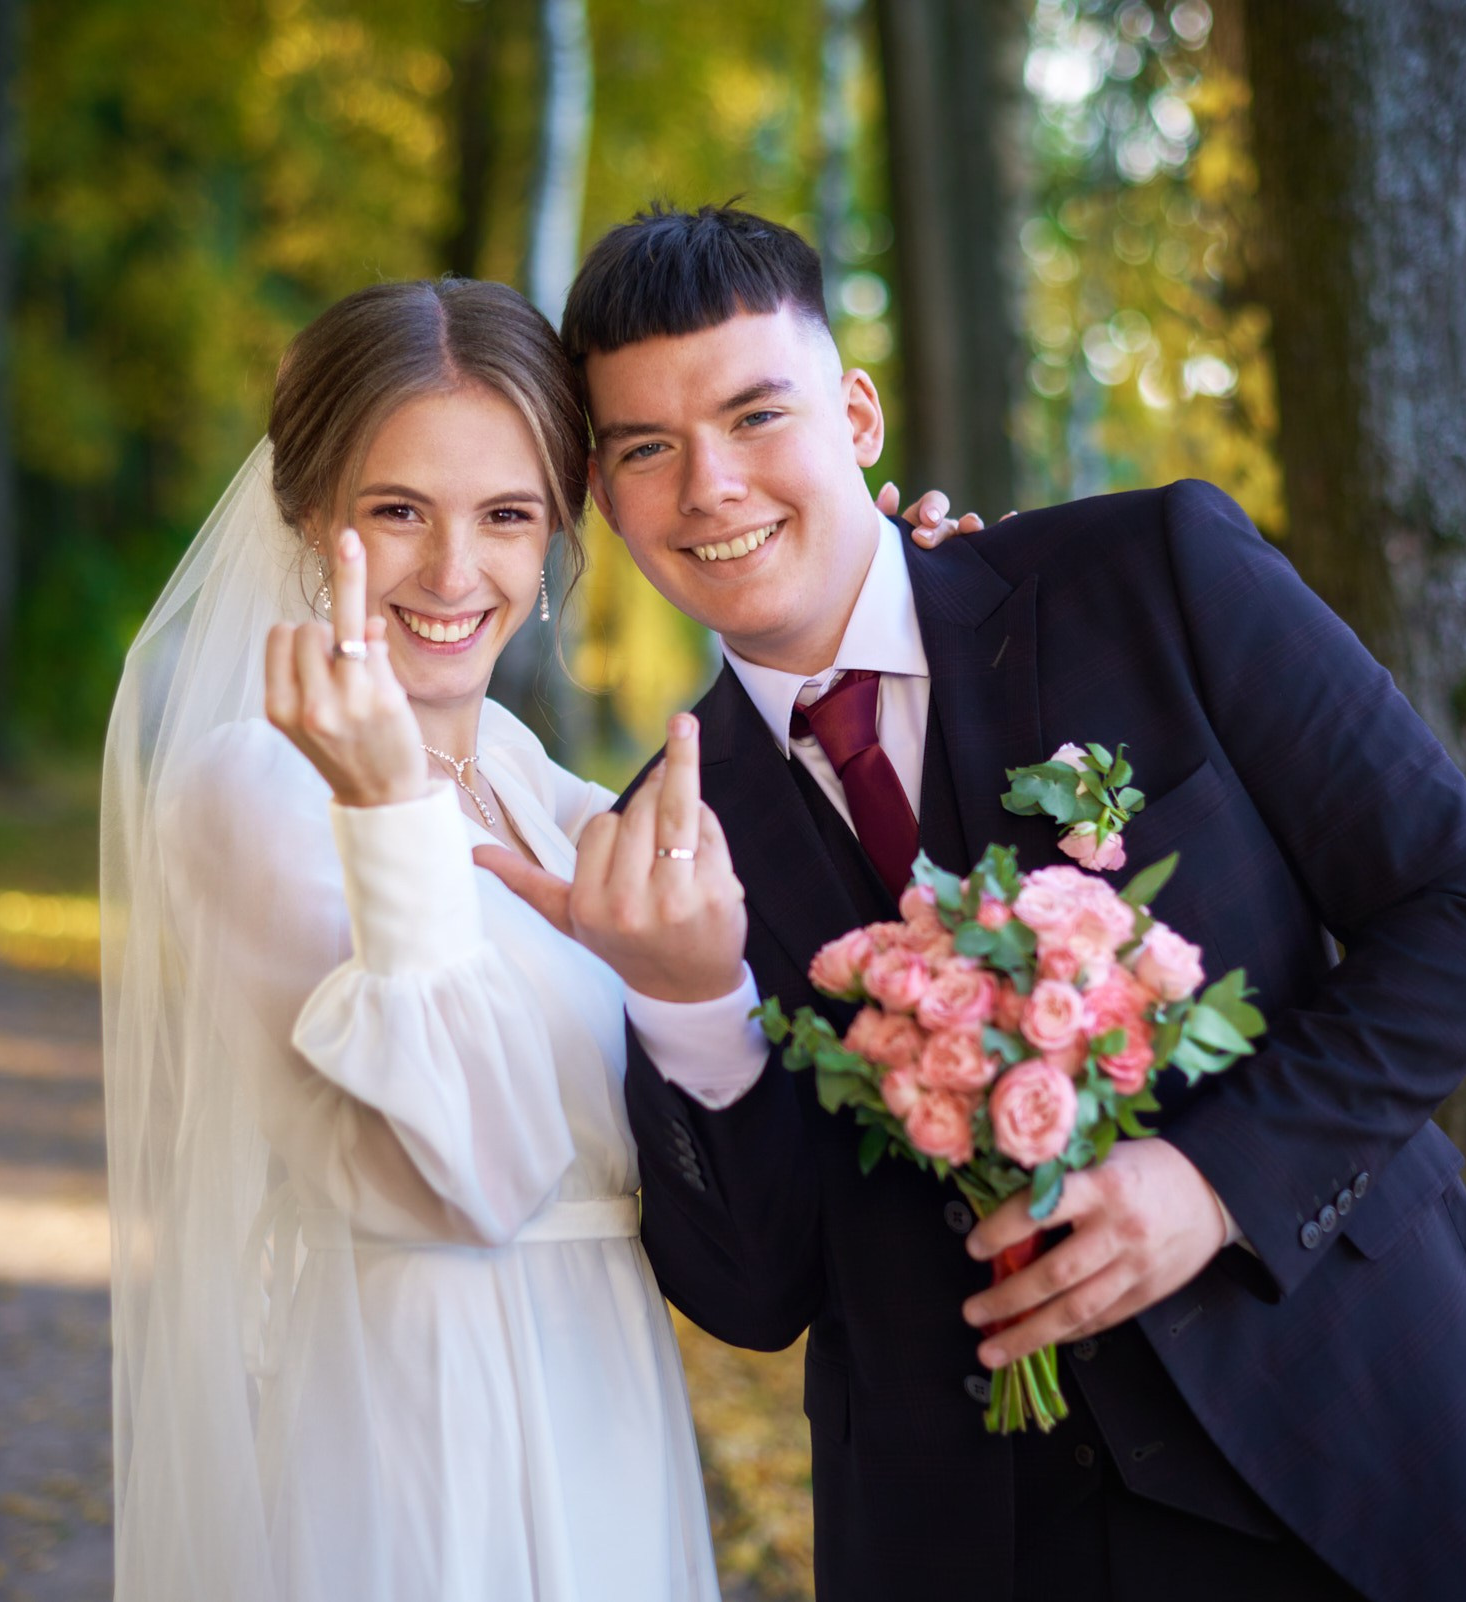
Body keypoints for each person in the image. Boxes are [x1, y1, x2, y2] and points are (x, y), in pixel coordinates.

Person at [480, 204, 1466, 1602]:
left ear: (858, 413)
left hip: (1347, 1441)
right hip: (969, 1540)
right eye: (647, 448)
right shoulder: (659, 846)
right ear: (603, 489)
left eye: (758, 414)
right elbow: (756, 1294)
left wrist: (1214, 1180)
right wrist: (686, 1000)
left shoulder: (1151, 574)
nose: (710, 485)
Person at [99, 274, 973, 1601]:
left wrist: (897, 593)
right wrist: (386, 804)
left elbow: (758, 891)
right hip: (428, 1415)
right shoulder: (257, 785)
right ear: (306, 513)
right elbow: (479, 1175)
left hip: (596, 1384)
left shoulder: (527, 779)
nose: (457, 573)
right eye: (399, 512)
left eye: (506, 516)